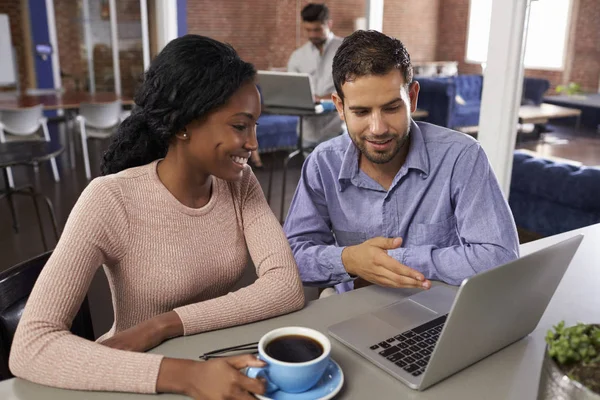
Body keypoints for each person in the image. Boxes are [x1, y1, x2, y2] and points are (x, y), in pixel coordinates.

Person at [9, 34, 305, 399]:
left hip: (211, 358)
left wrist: (163, 325)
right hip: (139, 375)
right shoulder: (109, 199)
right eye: (240, 126)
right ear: (184, 123)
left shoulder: (240, 183)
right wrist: (185, 376)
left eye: (255, 125)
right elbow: (31, 345)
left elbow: (286, 287)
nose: (254, 144)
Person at [284, 30, 519, 294]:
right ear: (339, 107)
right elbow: (291, 257)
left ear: (413, 97)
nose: (378, 128)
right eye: (361, 112)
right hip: (354, 311)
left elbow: (501, 258)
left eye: (391, 108)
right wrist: (350, 260)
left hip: (436, 309)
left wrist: (389, 262)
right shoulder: (322, 164)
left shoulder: (462, 156)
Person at [287, 3, 345, 147]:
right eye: (308, 30)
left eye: (317, 30)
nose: (313, 35)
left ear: (329, 24)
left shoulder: (346, 50)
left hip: (337, 129)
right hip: (307, 132)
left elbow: (356, 87)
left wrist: (322, 98)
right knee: (308, 168)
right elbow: (292, 90)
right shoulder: (297, 56)